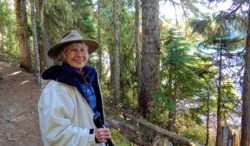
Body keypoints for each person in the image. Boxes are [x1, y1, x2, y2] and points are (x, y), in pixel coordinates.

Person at [38, 30, 112, 146]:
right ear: (63, 55)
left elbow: (89, 113)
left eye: (82, 50)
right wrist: (92, 136)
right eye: (73, 50)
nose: (79, 55)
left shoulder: (87, 78)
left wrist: (100, 133)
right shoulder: (56, 88)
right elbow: (55, 133)